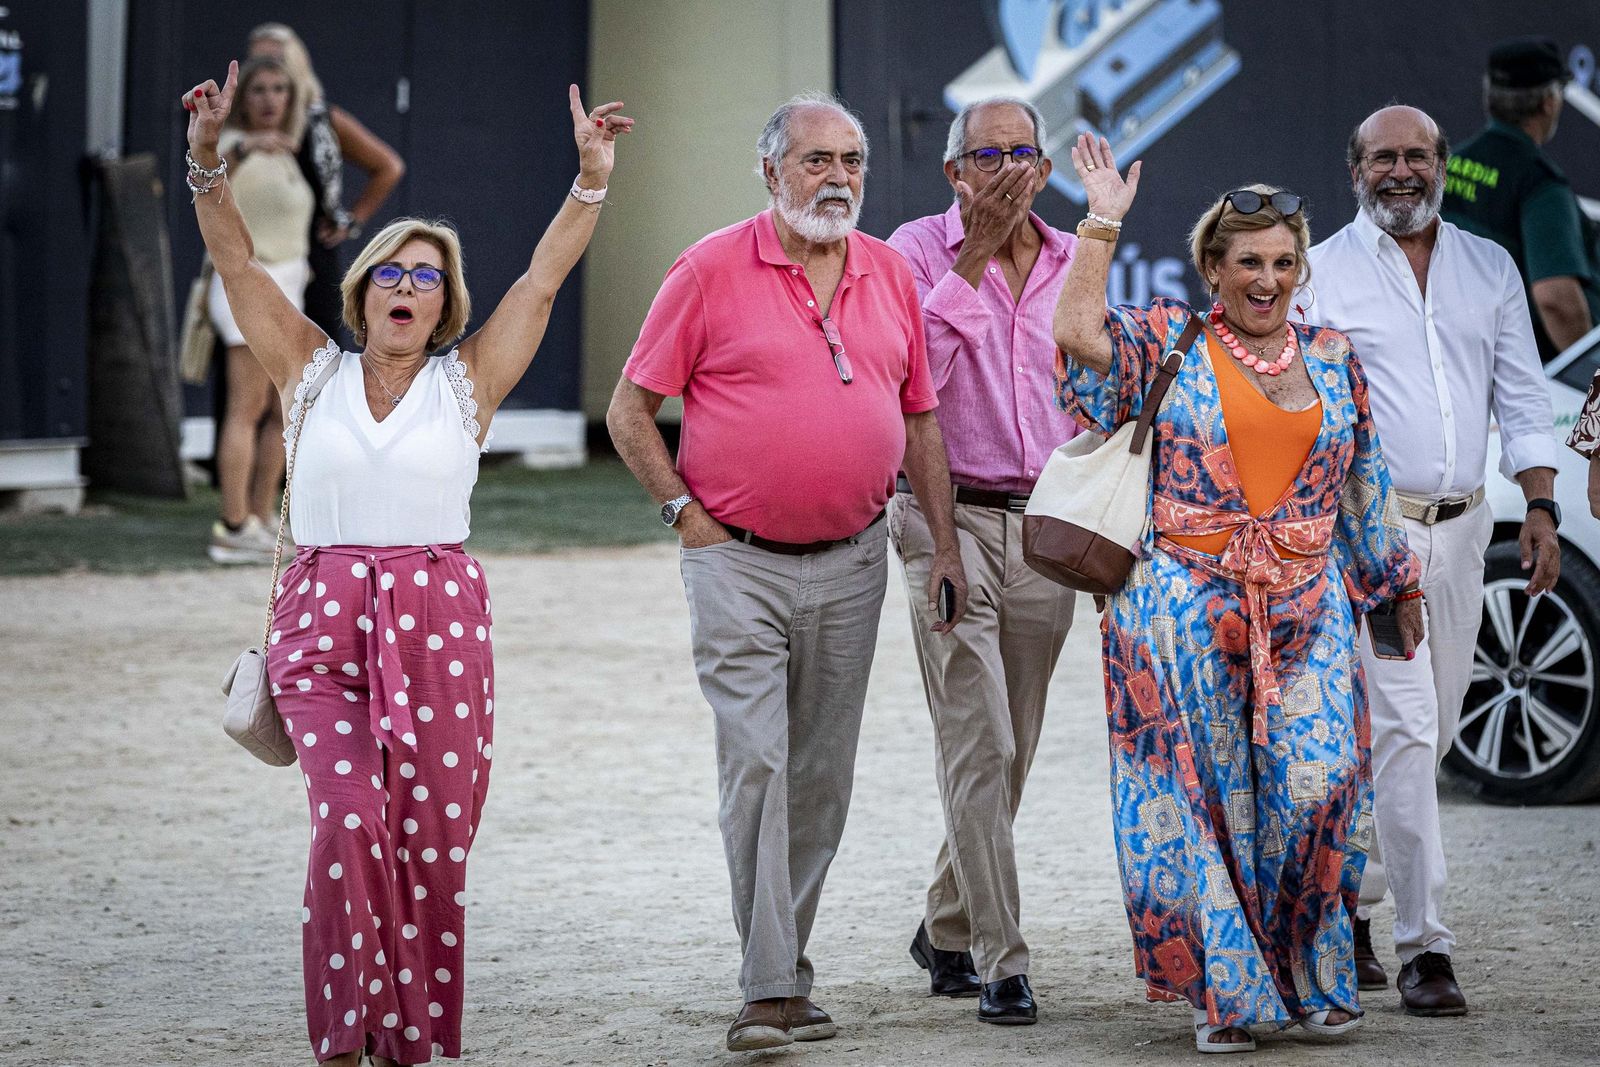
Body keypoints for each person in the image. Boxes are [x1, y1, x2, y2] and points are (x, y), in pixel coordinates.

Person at [183, 61, 631, 1064]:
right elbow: (241, 267)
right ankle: (344, 1033)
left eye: (427, 277)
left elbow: (542, 278)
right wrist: (206, 163)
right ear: (361, 293)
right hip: (320, 622)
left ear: (444, 305)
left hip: (438, 622)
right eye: (390, 271)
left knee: (429, 839)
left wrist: (589, 180)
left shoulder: (467, 382)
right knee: (349, 817)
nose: (407, 285)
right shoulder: (311, 370)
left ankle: (406, 1034)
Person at [606, 92, 968, 1053]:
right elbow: (628, 411)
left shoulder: (890, 273)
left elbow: (920, 419)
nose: (837, 178)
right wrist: (687, 518)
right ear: (770, 171)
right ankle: (767, 988)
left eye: (851, 160)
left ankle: (786, 967)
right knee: (759, 763)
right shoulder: (707, 269)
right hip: (736, 561)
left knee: (820, 779)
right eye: (816, 160)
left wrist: (945, 543)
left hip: (854, 561)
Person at [1052, 132, 1423, 1053]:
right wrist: (1101, 223)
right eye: (1249, 262)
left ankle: (1312, 977)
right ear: (1212, 269)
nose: (1268, 279)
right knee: (1209, 805)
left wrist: (1391, 583)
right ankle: (1226, 995)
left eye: (1284, 263)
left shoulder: (1331, 356)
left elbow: (1363, 480)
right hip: (1183, 606)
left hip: (1309, 607)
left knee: (1320, 789)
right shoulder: (1166, 341)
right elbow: (1076, 336)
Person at [1310, 104, 1560, 1018]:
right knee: (1409, 729)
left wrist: (1540, 504)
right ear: (1355, 171)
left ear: (1443, 166)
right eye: (1383, 157)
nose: (1401, 171)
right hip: (1372, 539)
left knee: (1432, 731)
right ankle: (1426, 947)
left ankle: (1353, 902)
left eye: (1417, 155)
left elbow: (1523, 397)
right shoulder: (1319, 273)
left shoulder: (1490, 267)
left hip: (1466, 532)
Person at [884, 96, 1077, 1024]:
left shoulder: (1075, 258)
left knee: (1015, 743)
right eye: (986, 154)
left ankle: (946, 920)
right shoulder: (915, 251)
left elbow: (1095, 386)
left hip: (1046, 525)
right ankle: (1001, 957)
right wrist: (972, 259)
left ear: (1045, 168)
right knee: (980, 739)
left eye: (1022, 152)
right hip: (943, 517)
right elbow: (906, 378)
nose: (1006, 169)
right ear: (954, 172)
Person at [205, 55, 316, 563]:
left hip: (288, 289)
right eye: (260, 90)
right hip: (248, 288)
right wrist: (244, 145)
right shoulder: (230, 145)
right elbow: (208, 166)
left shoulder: (289, 148)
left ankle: (260, 514)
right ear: (242, 98)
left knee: (280, 409)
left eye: (280, 90)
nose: (270, 99)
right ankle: (232, 524)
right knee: (245, 407)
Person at [248, 23, 407, 344]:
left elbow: (389, 166)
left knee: (317, 352)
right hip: (256, 248)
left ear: (296, 66)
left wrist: (351, 220)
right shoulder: (238, 127)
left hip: (312, 253)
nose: (267, 75)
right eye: (257, 63)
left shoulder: (321, 122)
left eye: (276, 62)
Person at [1442, 37, 1599, 362]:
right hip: (1529, 370)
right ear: (1549, 102)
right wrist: (1591, 378)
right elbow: (1556, 301)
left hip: (1462, 357)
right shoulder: (1539, 183)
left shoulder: (1451, 164)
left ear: (1490, 97)